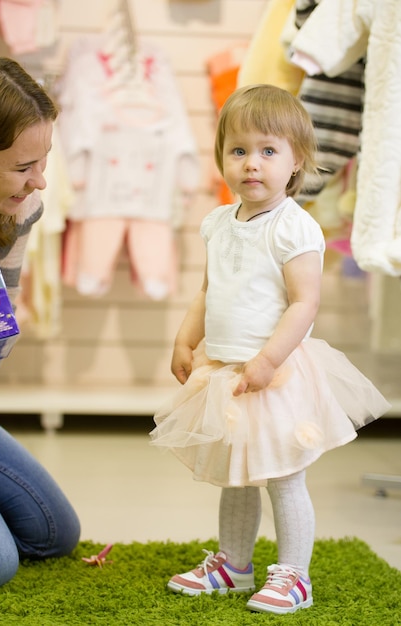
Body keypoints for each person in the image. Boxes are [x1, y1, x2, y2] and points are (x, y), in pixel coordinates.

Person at [150, 84, 390, 615]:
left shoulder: (295, 227)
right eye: (238, 151)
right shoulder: (217, 223)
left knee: (283, 475)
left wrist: (267, 361)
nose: (251, 164)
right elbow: (209, 290)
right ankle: (235, 564)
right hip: (229, 373)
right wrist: (185, 338)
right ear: (221, 159)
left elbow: (304, 304)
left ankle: (295, 576)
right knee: (237, 470)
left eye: (268, 151)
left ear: (295, 160)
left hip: (277, 373)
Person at [0, 52, 80, 592]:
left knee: (52, 532)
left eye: (43, 162)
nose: (40, 182)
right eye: (24, 168)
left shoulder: (15, 211)